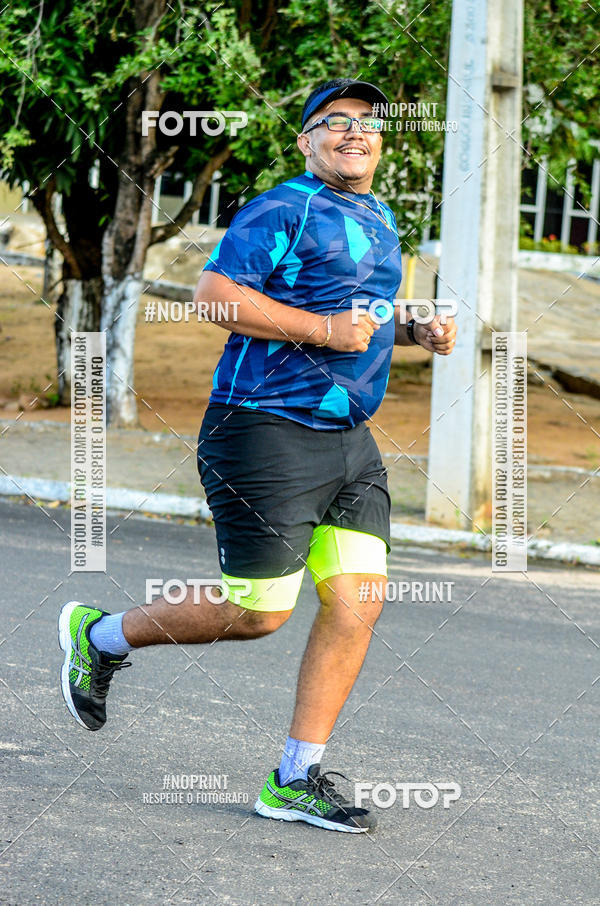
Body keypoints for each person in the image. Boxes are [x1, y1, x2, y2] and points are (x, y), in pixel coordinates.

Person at [58, 77, 457, 834]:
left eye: (367, 125)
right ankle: (97, 635)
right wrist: (321, 331)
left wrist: (416, 328)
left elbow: (359, 320)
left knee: (358, 601)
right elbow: (214, 295)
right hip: (263, 429)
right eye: (333, 122)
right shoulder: (284, 205)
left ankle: (294, 777)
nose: (353, 133)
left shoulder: (376, 216)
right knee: (259, 613)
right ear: (306, 141)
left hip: (349, 440)